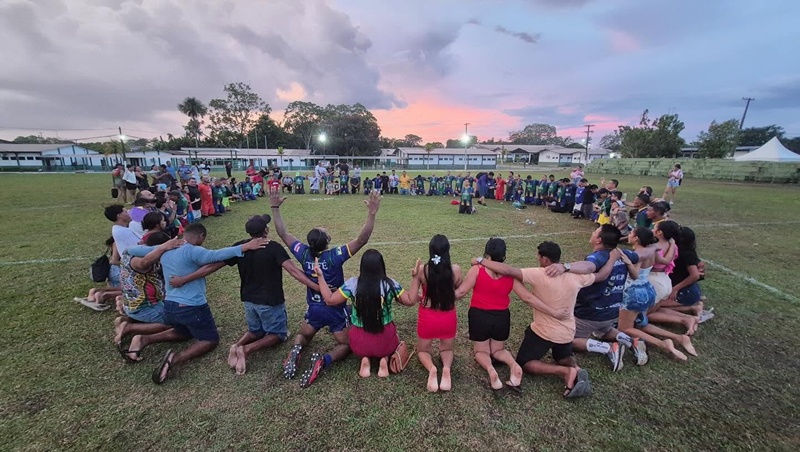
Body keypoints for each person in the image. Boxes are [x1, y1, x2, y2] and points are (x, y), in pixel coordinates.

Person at [124, 223, 269, 384]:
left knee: (184, 332)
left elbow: (133, 250)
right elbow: (215, 255)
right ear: (201, 236)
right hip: (191, 307)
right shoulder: (193, 251)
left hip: (170, 306)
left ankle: (144, 339)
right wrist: (246, 246)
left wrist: (160, 246)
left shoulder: (167, 248)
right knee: (210, 340)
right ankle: (174, 359)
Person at [476, 241, 619, 398]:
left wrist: (481, 260)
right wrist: (613, 258)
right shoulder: (576, 276)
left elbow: (508, 271)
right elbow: (602, 275)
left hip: (544, 332)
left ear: (544, 259)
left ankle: (565, 372)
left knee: (526, 363)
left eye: (539, 257)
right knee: (562, 356)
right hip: (567, 332)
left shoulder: (539, 274)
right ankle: (576, 369)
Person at [270, 190, 382, 388]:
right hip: (334, 309)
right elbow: (361, 240)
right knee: (346, 343)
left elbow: (283, 233)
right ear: (327, 241)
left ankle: (296, 350)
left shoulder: (304, 253)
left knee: (304, 335)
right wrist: (372, 213)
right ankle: (324, 360)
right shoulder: (334, 256)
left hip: (313, 308)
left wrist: (275, 208)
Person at [455, 238, 571, 393]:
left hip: (479, 315)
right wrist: (554, 312)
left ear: (487, 252)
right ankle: (513, 365)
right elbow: (527, 298)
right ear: (504, 254)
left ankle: (491, 370)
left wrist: (440, 297)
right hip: (502, 317)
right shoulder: (509, 274)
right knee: (498, 350)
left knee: (481, 351)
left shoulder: (477, 269)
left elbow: (461, 292)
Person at [545, 225, 639, 372]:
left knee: (563, 341)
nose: (592, 233)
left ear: (599, 240)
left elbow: (588, 266)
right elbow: (638, 256)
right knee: (603, 330)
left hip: (591, 313)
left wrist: (566, 266)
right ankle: (632, 341)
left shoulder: (598, 257)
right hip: (612, 312)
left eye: (595, 232)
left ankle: (608, 348)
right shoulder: (622, 253)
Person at [315, 249, 414, 378]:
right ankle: (384, 359)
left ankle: (365, 359)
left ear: (362, 266)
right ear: (381, 266)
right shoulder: (389, 284)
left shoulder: (352, 284)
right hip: (386, 341)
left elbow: (329, 300)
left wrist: (320, 276)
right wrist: (416, 279)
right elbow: (410, 301)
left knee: (362, 342)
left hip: (359, 344)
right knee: (391, 338)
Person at [616, 227, 690, 362]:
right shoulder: (652, 251)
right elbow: (665, 261)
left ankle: (663, 344)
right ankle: (678, 337)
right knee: (640, 323)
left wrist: (628, 262)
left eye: (631, 233)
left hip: (635, 292)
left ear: (636, 238)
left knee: (624, 328)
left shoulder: (639, 254)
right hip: (648, 289)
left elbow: (635, 274)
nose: (629, 234)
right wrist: (672, 245)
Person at [114, 232, 184, 352]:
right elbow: (144, 263)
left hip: (133, 304)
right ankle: (130, 328)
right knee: (176, 324)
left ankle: (126, 321)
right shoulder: (138, 260)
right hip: (145, 307)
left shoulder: (132, 252)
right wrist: (164, 247)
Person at [410, 235, 462, 392]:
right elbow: (457, 291)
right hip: (447, 316)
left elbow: (412, 297)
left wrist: (415, 278)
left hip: (427, 317)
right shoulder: (456, 270)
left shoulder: (422, 270)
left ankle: (432, 369)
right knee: (446, 349)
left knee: (423, 350)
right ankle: (446, 368)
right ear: (447, 250)